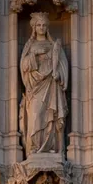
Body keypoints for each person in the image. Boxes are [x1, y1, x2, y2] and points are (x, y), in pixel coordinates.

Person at [19, 13, 69, 159]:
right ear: (34, 28)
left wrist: (59, 74)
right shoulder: (30, 46)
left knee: (50, 116)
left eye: (44, 25)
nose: (41, 28)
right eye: (39, 25)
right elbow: (23, 66)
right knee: (35, 115)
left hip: (51, 84)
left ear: (47, 27)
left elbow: (63, 65)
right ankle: (34, 147)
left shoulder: (54, 46)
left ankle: (51, 146)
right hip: (35, 86)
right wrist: (34, 54)